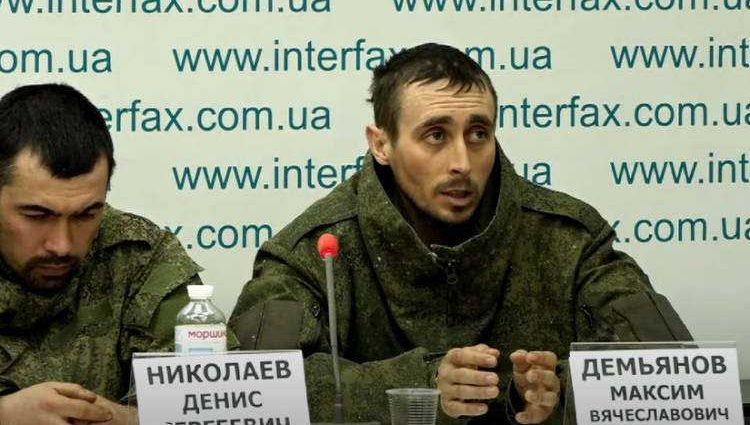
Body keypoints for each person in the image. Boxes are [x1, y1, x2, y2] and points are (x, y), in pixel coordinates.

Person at [229, 43, 691, 424]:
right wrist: (421, 386)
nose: (462, 163)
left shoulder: (570, 238)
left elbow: (676, 376)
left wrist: (563, 394)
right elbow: (250, 393)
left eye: (478, 133)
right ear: (382, 143)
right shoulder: (314, 250)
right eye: (435, 135)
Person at [0, 84, 202, 424]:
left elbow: (213, 405)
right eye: (37, 215)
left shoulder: (139, 256)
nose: (62, 245)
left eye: (86, 215)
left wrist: (119, 419)